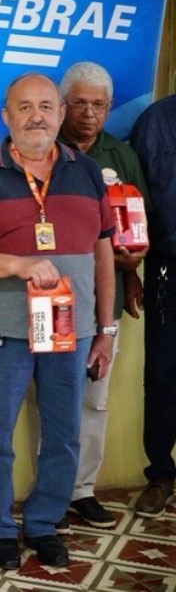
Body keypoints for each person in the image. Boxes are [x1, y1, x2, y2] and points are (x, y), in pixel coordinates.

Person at [0, 72, 115, 570]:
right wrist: (18, 265)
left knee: (63, 435)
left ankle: (44, 522)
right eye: (24, 107)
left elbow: (104, 256)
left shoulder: (88, 173)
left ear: (61, 114)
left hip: (72, 332)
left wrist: (105, 330)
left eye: (45, 106)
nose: (36, 116)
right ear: (6, 116)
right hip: (3, 333)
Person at [54, 61, 148, 532]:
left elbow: (137, 227)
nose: (89, 114)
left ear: (110, 107)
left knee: (95, 396)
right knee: (51, 398)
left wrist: (133, 271)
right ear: (63, 104)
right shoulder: (43, 149)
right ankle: (51, 492)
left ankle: (82, 490)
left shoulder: (122, 156)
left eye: (99, 105)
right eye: (80, 104)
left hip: (104, 301)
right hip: (53, 295)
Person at [130, 93, 176, 519]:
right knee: (161, 376)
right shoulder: (155, 122)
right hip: (167, 267)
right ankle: (160, 474)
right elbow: (133, 200)